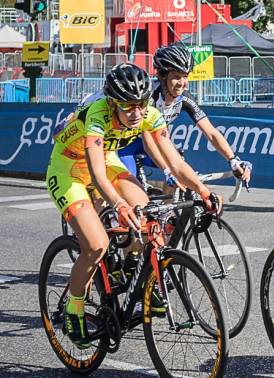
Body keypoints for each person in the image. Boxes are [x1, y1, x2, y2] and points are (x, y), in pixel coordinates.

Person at [46, 63, 223, 348]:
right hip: (69, 170)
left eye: (141, 104)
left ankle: (138, 275)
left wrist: (202, 189)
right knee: (96, 245)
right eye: (128, 106)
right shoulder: (97, 115)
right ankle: (73, 308)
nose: (136, 113)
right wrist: (118, 203)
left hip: (108, 161)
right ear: (112, 103)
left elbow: (175, 162)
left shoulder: (149, 114)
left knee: (149, 218)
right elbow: (96, 174)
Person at [111, 43, 252, 189]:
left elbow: (211, 132)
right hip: (125, 145)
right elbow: (148, 142)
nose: (182, 83)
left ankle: (169, 203)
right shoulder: (149, 97)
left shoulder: (185, 99)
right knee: (129, 186)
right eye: (176, 77)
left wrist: (233, 160)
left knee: (179, 172)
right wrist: (167, 171)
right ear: (161, 76)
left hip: (154, 143)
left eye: (185, 76)